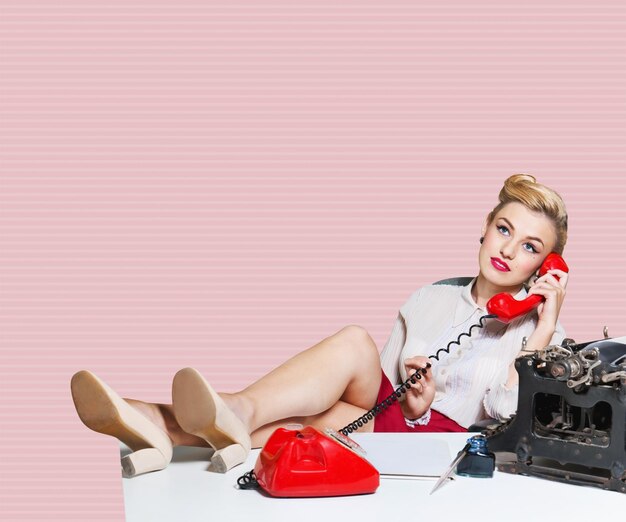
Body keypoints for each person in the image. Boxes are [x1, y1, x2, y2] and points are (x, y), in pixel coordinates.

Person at [71, 174, 569, 477]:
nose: (507, 249)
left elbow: (508, 415)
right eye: (504, 229)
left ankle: (169, 418)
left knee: (331, 388)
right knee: (331, 392)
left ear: (547, 267)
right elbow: (380, 386)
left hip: (444, 445)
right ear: (485, 227)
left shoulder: (547, 341)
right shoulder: (429, 299)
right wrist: (408, 400)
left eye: (530, 246)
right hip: (386, 422)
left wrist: (542, 332)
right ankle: (180, 422)